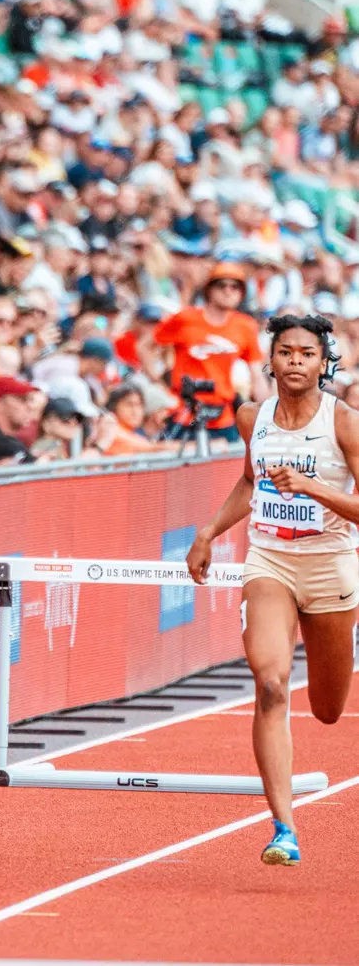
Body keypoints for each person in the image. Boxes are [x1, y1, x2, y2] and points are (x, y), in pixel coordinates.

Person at [187, 315, 359, 868]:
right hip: (270, 561)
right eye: (285, 352)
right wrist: (210, 531)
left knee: (328, 710)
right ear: (271, 359)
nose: (294, 362)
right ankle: (283, 827)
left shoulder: (346, 424)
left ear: (323, 362)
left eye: (306, 354)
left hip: (331, 566)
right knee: (270, 682)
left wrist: (312, 486)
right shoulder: (251, 417)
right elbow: (248, 480)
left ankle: (337, 655)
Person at [154, 262, 266, 443]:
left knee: (227, 469)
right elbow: (146, 345)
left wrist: (269, 413)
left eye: (235, 286)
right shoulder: (186, 318)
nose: (228, 291)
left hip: (223, 414)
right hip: (185, 410)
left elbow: (257, 375)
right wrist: (157, 381)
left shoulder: (245, 326)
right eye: (221, 285)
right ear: (209, 289)